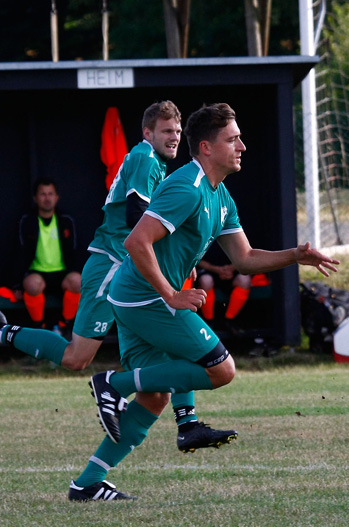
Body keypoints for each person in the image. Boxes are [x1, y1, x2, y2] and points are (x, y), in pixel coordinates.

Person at [68, 102, 338, 501]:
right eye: (233, 139)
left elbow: (243, 257)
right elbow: (135, 241)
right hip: (142, 297)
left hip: (140, 297)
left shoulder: (219, 193)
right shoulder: (186, 186)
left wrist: (295, 255)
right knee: (221, 369)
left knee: (155, 396)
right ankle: (112, 383)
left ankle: (88, 483)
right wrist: (171, 294)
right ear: (207, 148)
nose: (242, 146)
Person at [0, 102, 238, 454]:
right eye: (165, 131)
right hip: (114, 264)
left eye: (176, 131)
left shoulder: (158, 164)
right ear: (147, 133)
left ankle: (181, 427)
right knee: (76, 358)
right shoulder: (144, 157)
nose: (173, 138)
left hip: (131, 267)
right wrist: (160, 249)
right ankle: (4, 331)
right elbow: (136, 214)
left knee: (166, 361)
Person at [12, 177, 83, 334]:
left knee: (78, 281)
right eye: (42, 194)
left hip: (62, 272)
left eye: (50, 194)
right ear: (35, 198)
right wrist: (17, 284)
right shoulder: (27, 220)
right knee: (31, 284)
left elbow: (75, 251)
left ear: (57, 197)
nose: (47, 198)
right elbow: (20, 252)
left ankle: (64, 326)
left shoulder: (66, 220)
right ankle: (40, 328)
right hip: (38, 272)